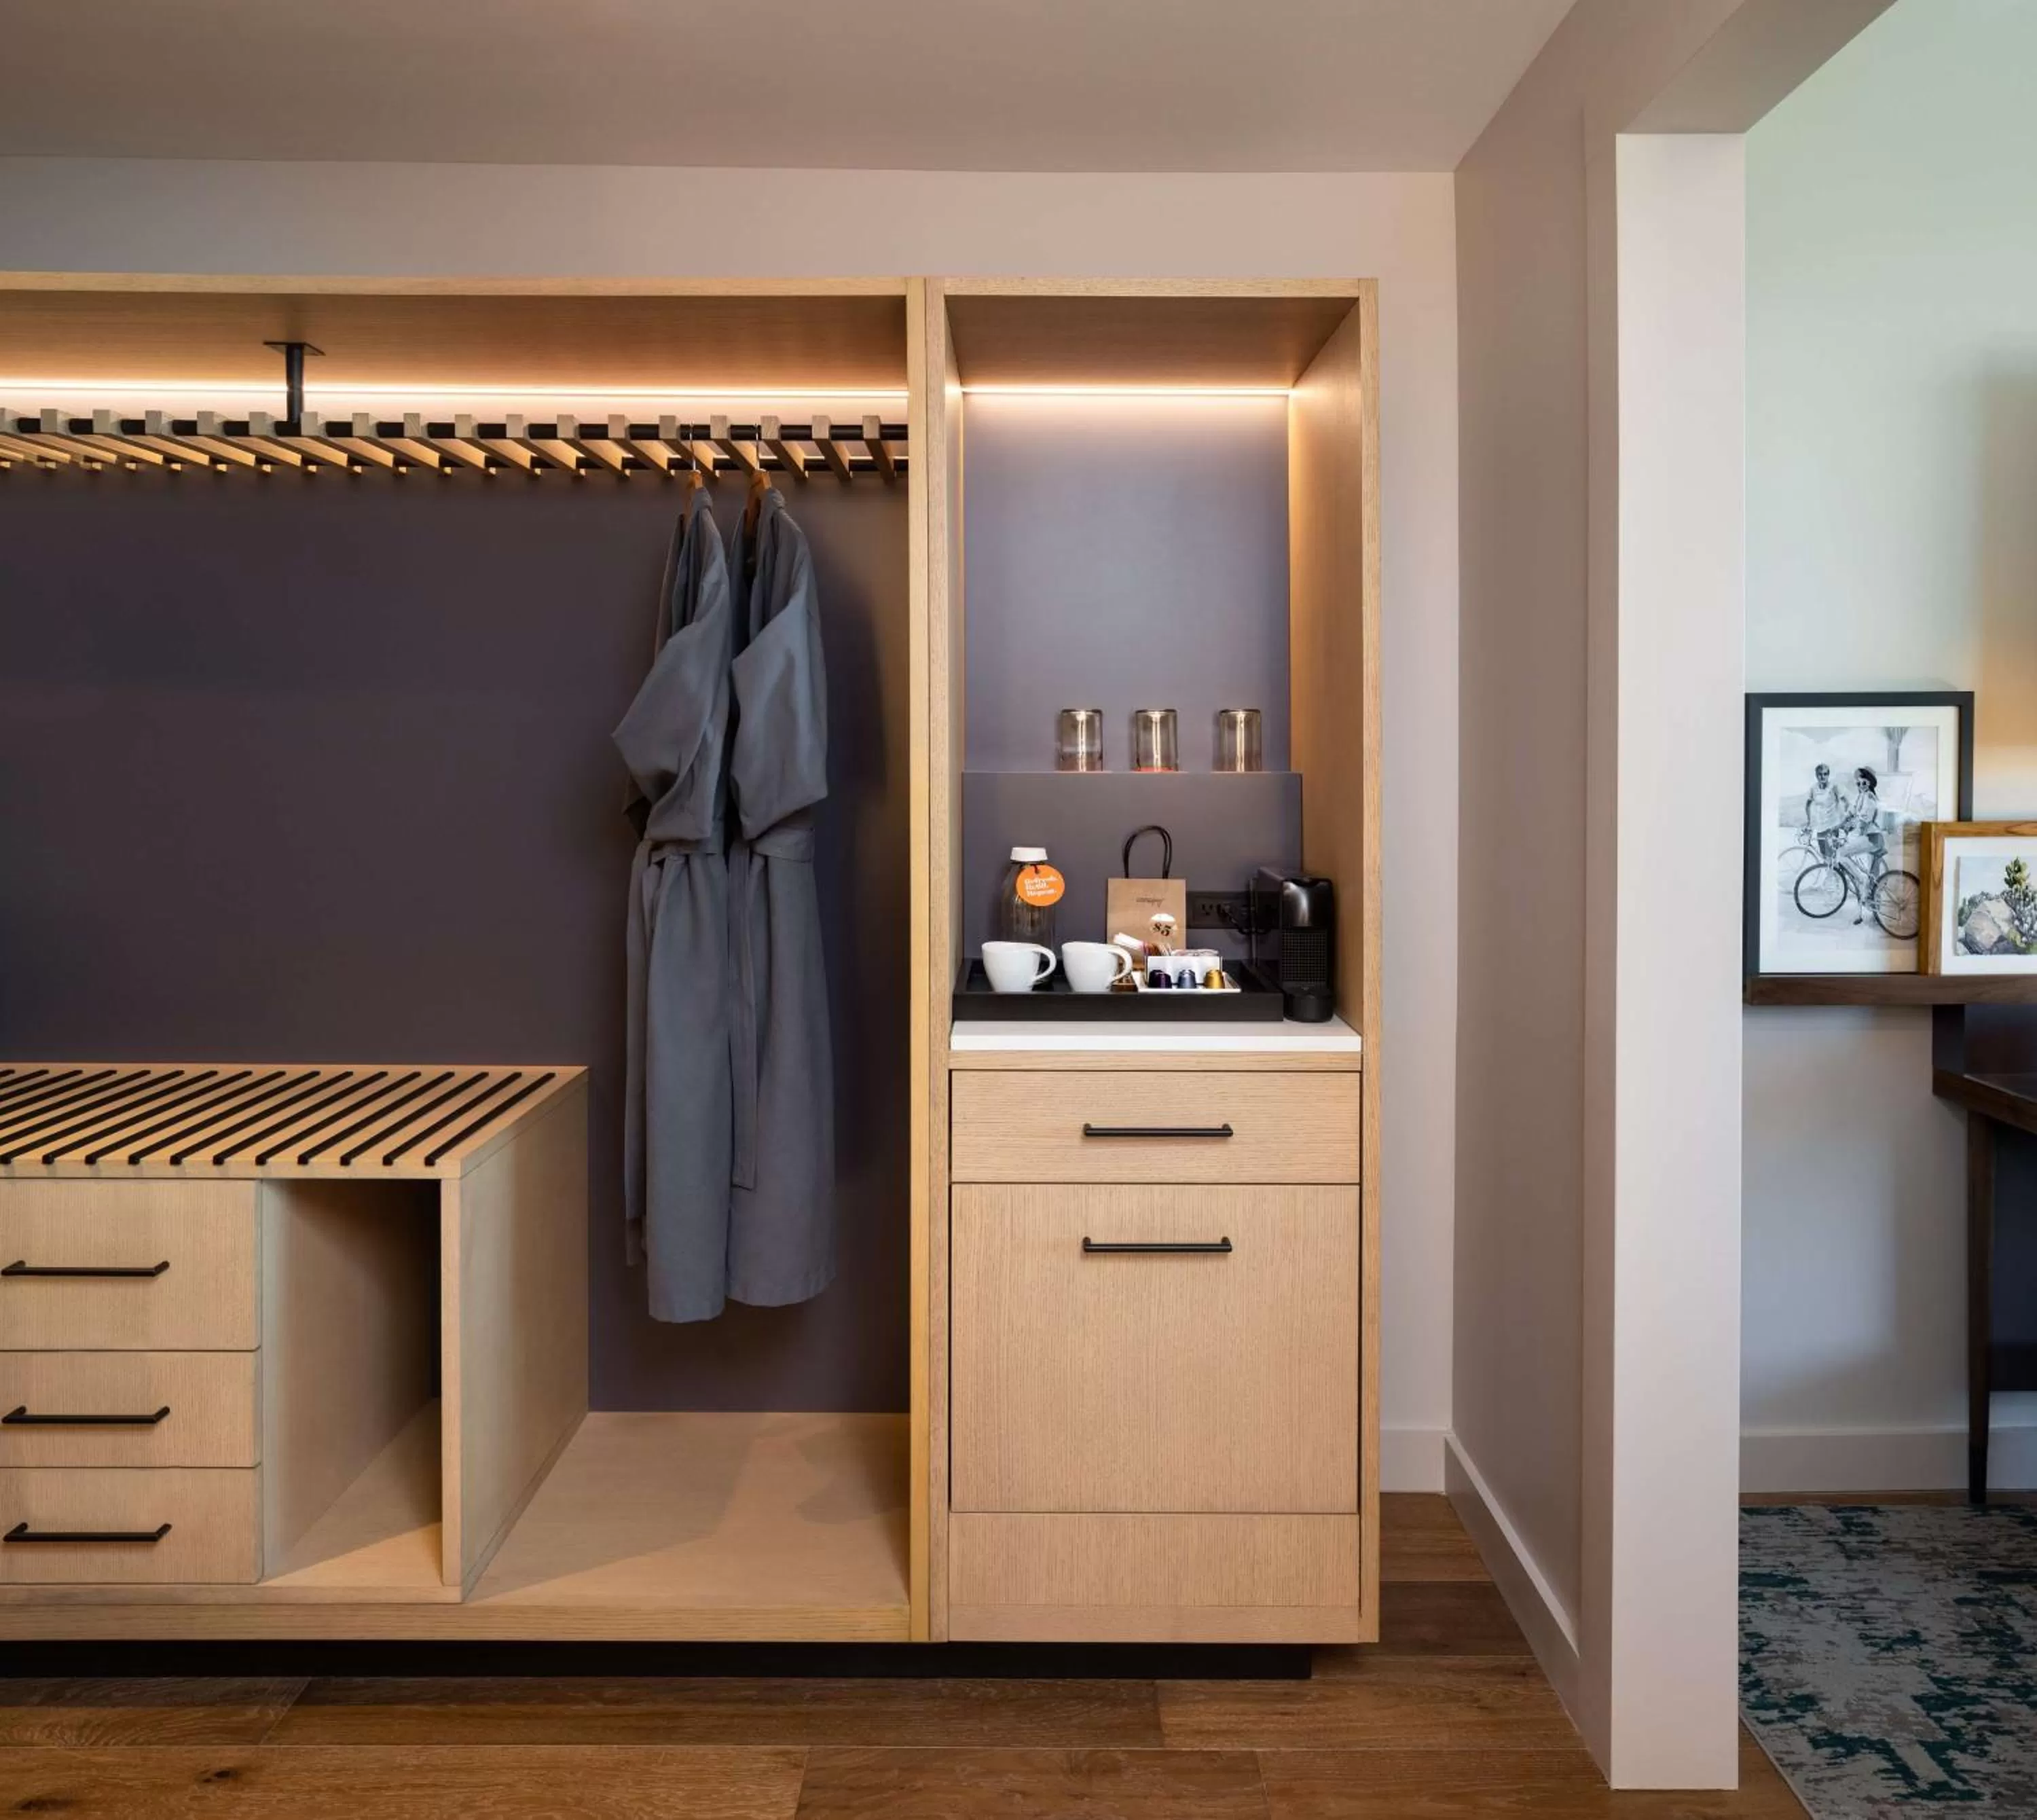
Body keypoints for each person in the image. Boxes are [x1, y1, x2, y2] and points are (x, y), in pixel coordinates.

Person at [1838, 765, 1887, 922]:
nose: (1861, 786)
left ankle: (1860, 878)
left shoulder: (1870, 798)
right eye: (1858, 784)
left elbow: (1864, 819)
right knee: (1873, 880)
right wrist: (1840, 825)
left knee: (1841, 854)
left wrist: (1850, 827)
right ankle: (1873, 914)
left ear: (1870, 783)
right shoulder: (1861, 796)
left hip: (1872, 839)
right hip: (1873, 839)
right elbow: (1852, 811)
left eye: (1864, 783)